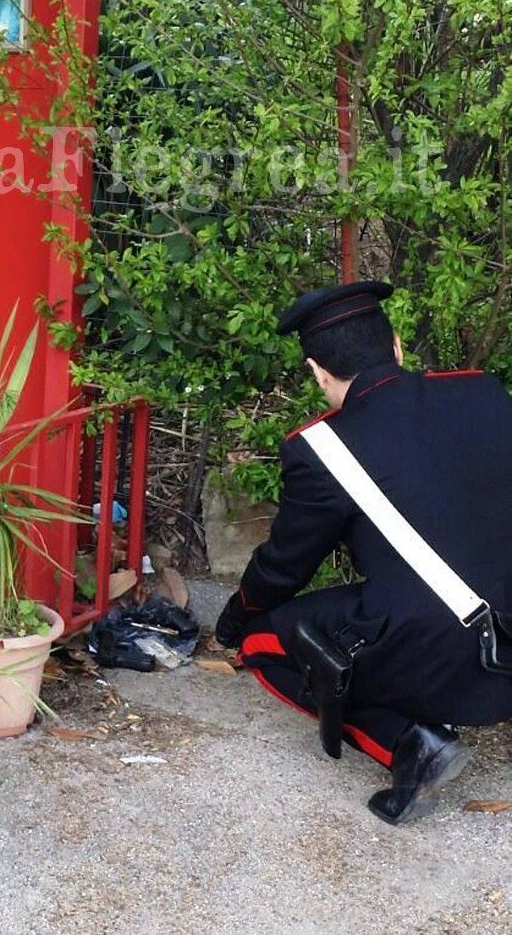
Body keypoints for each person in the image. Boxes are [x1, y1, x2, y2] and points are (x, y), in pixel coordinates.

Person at [215, 280, 512, 824]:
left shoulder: (322, 449)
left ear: (317, 372)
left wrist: (234, 617)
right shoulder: (483, 392)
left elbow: (285, 567)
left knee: (263, 644)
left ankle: (409, 744)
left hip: (451, 650)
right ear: (396, 345)